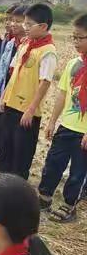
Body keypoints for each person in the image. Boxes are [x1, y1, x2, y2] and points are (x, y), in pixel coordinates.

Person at [38, 13, 87, 223]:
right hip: (67, 125)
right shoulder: (74, 64)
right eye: (73, 37)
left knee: (78, 171)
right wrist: (52, 121)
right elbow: (62, 93)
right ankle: (44, 196)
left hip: (84, 132)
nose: (75, 42)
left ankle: (70, 204)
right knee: (53, 162)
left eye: (80, 38)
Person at [0, 3, 57, 179]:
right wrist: (4, 96)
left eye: (29, 25)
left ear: (43, 27)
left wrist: (31, 109)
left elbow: (45, 83)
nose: (25, 27)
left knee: (21, 151)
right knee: (6, 145)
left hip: (27, 111)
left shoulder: (48, 51)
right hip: (11, 104)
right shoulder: (25, 44)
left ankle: (16, 186)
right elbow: (13, 72)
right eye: (25, 23)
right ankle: (3, 180)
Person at [0, 4, 27, 159]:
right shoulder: (9, 43)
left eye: (17, 21)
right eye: (10, 20)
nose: (11, 24)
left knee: (6, 129)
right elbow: (1, 71)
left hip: (17, 98)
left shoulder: (29, 47)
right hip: (4, 92)